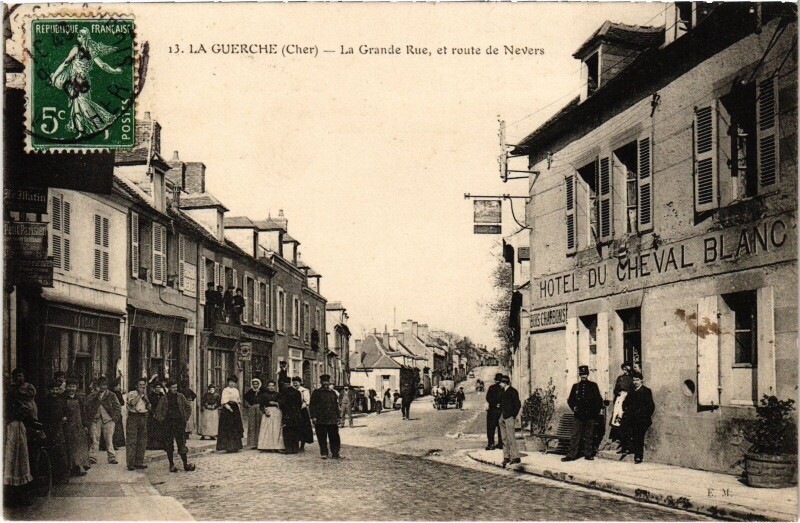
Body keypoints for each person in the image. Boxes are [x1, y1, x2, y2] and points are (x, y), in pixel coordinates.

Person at [49, 27, 123, 136]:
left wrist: (54, 76)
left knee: (84, 106)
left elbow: (65, 64)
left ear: (84, 37)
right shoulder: (90, 50)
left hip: (79, 81)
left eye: (80, 35)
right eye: (78, 35)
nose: (78, 37)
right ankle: (80, 132)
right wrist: (114, 71)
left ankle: (102, 126)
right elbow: (103, 65)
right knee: (76, 107)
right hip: (80, 81)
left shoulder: (77, 49)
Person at [4, 368, 36, 506]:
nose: (18, 379)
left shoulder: (20, 391)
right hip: (11, 426)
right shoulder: (10, 392)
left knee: (19, 458)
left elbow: (25, 408)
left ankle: (19, 493)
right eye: (15, 376)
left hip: (17, 426)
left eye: (20, 376)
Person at [562, 365, 604, 462]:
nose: (583, 376)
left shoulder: (593, 386)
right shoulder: (576, 386)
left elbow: (598, 400)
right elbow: (570, 400)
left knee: (589, 435)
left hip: (590, 415)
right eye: (581, 374)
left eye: (585, 374)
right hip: (579, 415)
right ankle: (571, 455)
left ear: (588, 374)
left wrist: (595, 412)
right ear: (579, 375)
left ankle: (588, 454)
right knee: (575, 435)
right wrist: (574, 408)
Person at [154, 380, 196, 473]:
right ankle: (171, 465)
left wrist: (185, 418)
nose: (175, 389)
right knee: (169, 445)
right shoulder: (164, 398)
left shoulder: (180, 396)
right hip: (168, 424)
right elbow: (157, 412)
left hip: (179, 424)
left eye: (176, 387)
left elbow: (188, 407)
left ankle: (185, 464)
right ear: (169, 388)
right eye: (173, 387)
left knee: (182, 444)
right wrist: (163, 420)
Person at [37, 381, 69, 484]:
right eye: (52, 389)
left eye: (56, 389)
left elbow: (66, 412)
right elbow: (40, 416)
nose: (54, 391)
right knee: (50, 452)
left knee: (61, 452)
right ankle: (50, 477)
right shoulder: (44, 401)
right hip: (48, 428)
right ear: (49, 390)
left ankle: (62, 476)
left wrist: (65, 417)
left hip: (59, 429)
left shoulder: (62, 401)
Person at [85, 376, 121, 465]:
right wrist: (95, 394)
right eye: (101, 385)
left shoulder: (111, 395)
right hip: (95, 420)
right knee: (94, 438)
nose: (103, 387)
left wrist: (114, 419)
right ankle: (93, 457)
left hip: (108, 420)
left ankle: (112, 457)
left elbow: (117, 407)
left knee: (109, 439)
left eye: (105, 385)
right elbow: (87, 404)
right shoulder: (93, 395)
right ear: (97, 385)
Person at [624, 372, 655, 464]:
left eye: (637, 380)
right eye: (634, 380)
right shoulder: (631, 391)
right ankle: (631, 449)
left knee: (639, 437)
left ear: (642, 380)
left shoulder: (646, 391)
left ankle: (638, 456)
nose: (635, 382)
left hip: (642, 419)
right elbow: (625, 403)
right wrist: (627, 411)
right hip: (632, 419)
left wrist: (644, 415)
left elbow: (651, 406)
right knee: (632, 435)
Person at [62, 378, 90, 477]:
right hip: (67, 426)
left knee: (79, 447)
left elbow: (83, 413)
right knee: (69, 447)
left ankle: (79, 466)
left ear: (76, 387)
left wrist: (85, 425)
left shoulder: (79, 399)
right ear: (66, 387)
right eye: (69, 386)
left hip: (78, 426)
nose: (71, 389)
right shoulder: (63, 399)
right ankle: (69, 468)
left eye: (73, 386)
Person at [310, 375, 342, 459]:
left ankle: (335, 453)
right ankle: (324, 453)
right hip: (320, 418)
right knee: (321, 437)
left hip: (332, 419)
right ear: (321, 382)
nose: (325, 383)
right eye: (324, 381)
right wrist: (313, 416)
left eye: (327, 381)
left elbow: (336, 406)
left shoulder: (332, 393)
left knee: (334, 437)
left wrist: (338, 417)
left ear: (329, 382)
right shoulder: (316, 392)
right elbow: (312, 405)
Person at [124, 377, 150, 471]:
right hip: (133, 417)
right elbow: (132, 403)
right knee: (132, 440)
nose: (142, 387)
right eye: (140, 385)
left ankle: (139, 462)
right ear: (136, 386)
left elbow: (149, 407)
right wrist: (139, 394)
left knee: (142, 440)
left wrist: (146, 399)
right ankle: (130, 463)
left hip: (143, 417)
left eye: (143, 385)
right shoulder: (132, 393)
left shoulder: (145, 395)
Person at [216, 376, 244, 453]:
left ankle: (236, 446)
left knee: (235, 427)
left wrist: (238, 408)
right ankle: (228, 447)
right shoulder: (225, 390)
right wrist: (228, 408)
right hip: (227, 410)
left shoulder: (236, 390)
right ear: (228, 382)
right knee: (228, 427)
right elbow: (224, 401)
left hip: (235, 409)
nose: (232, 384)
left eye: (234, 382)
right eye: (231, 382)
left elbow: (238, 400)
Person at [498, 375, 521, 466]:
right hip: (503, 416)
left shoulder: (513, 391)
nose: (499, 384)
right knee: (504, 438)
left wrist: (512, 415)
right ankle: (506, 457)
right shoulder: (503, 391)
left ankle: (515, 457)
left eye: (501, 382)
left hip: (509, 417)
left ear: (505, 383)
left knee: (511, 437)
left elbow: (517, 405)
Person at [610, 362, 633, 450]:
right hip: (620, 398)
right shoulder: (620, 378)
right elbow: (615, 389)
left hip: (628, 398)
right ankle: (619, 439)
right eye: (624, 369)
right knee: (618, 416)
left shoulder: (632, 378)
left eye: (627, 369)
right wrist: (618, 392)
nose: (625, 371)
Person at [257, 380, 283, 451]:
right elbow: (261, 406)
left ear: (275, 387)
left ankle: (276, 446)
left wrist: (276, 403)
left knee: (276, 429)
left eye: (272, 386)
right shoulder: (264, 395)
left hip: (276, 412)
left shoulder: (278, 395)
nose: (271, 387)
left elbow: (282, 403)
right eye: (270, 386)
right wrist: (265, 411)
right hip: (267, 412)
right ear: (267, 387)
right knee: (267, 429)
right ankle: (265, 446)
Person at [278, 378, 303, 454]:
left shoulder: (284, 392)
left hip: (287, 415)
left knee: (287, 432)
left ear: (285, 384)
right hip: (296, 414)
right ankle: (295, 449)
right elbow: (300, 404)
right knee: (295, 431)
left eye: (283, 384)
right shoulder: (297, 392)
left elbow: (282, 404)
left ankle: (288, 449)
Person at [292, 377, 314, 451]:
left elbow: (307, 402)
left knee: (303, 428)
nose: (295, 384)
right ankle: (295, 445)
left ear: (300, 383)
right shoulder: (291, 390)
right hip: (293, 411)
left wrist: (299, 407)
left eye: (297, 382)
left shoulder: (304, 390)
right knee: (294, 428)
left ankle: (302, 446)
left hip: (302, 411)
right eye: (294, 382)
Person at [485, 373, 504, 450]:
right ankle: (501, 443)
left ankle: (491, 444)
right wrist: (500, 404)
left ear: (495, 380)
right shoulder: (504, 388)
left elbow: (488, 398)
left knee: (490, 428)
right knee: (501, 428)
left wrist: (495, 404)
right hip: (501, 411)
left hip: (492, 411)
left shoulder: (491, 388)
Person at [243, 378, 263, 449]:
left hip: (260, 409)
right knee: (252, 425)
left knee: (259, 424)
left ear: (259, 384)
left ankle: (260, 443)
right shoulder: (250, 392)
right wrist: (250, 404)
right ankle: (252, 444)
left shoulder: (262, 392)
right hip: (252, 409)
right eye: (254, 384)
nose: (255, 386)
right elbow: (245, 397)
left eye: (256, 384)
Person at [147, 380, 166, 450]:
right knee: (153, 430)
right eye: (157, 387)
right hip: (153, 414)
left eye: (159, 387)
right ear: (154, 388)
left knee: (161, 430)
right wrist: (153, 413)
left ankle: (161, 445)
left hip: (160, 414)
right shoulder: (151, 396)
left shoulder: (162, 395)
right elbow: (149, 405)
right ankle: (153, 445)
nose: (158, 389)